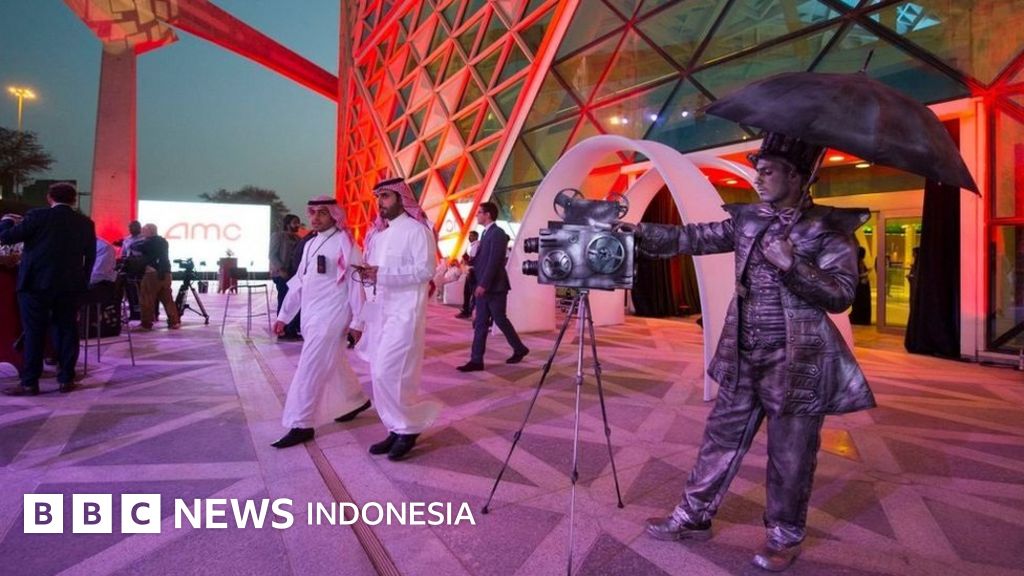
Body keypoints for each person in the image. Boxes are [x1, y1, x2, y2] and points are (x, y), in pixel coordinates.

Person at [637, 132, 875, 572]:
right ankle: (692, 515)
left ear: (796, 176)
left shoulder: (829, 232)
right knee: (720, 438)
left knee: (790, 456)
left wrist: (792, 263)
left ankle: (784, 536)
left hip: (797, 360)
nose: (758, 180)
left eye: (767, 172)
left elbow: (841, 296)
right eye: (757, 172)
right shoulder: (748, 220)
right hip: (744, 352)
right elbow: (694, 238)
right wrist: (636, 231)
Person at [271, 196, 369, 448]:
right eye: (312, 212)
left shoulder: (346, 243)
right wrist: (284, 315)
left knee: (309, 367)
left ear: (334, 215)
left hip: (333, 316)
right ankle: (355, 400)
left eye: (322, 213)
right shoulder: (311, 243)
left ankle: (301, 423)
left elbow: (356, 285)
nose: (315, 218)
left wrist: (358, 321)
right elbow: (299, 282)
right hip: (311, 315)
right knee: (333, 361)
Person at [355, 177, 439, 461]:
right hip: (381, 313)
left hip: (405, 313)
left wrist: (382, 274)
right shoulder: (379, 236)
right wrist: (369, 277)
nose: (380, 203)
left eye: (386, 196)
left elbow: (425, 271)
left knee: (390, 372)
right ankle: (395, 426)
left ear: (402, 199)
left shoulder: (418, 231)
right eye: (378, 197)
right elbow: (377, 275)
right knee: (378, 374)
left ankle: (409, 426)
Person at [0, 182, 96, 395]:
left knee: (34, 332)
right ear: (74, 199)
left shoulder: (38, 216)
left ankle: (29, 382)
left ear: (49, 198)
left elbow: (6, 237)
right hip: (70, 286)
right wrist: (83, 282)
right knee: (67, 330)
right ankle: (66, 379)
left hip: (35, 284)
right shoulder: (85, 223)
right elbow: (90, 257)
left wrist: (6, 220)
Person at [456, 201, 529, 372]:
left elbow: (494, 262)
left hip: (494, 287)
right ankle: (476, 360)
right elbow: (484, 260)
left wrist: (483, 284)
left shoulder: (498, 233)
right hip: (486, 286)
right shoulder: (486, 233)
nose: (477, 215)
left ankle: (519, 349)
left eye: (479, 212)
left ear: (487, 214)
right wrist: (471, 263)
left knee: (499, 319)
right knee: (481, 323)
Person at [136, 223, 181, 330]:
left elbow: (136, 247)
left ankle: (146, 324)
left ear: (150, 231)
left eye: (144, 230)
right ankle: (174, 321)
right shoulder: (163, 241)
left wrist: (139, 239)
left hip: (152, 273)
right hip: (166, 273)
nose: (142, 232)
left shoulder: (148, 243)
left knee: (147, 298)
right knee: (167, 299)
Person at [270, 214, 302, 341]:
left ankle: (292, 329)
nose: (297, 225)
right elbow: (272, 255)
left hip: (294, 274)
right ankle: (282, 330)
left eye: (298, 222)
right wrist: (280, 269)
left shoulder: (299, 238)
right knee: (284, 299)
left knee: (294, 300)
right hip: (282, 274)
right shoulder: (278, 236)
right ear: (288, 224)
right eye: (295, 222)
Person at [455, 230, 480, 319]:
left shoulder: (476, 245)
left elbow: (472, 259)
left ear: (476, 237)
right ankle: (467, 310)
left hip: (473, 271)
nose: (470, 237)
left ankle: (468, 311)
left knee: (469, 292)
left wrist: (466, 259)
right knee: (467, 292)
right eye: (469, 236)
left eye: (472, 236)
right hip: (469, 270)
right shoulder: (470, 245)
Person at [850, 246, 872, 325]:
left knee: (861, 304)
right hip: (860, 287)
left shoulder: (859, 262)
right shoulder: (857, 262)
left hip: (862, 287)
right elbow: (856, 275)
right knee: (860, 304)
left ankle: (861, 319)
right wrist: (865, 274)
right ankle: (860, 319)